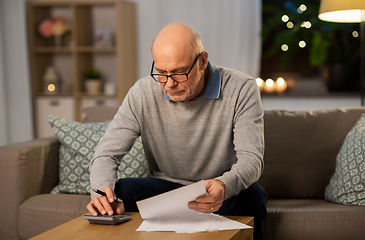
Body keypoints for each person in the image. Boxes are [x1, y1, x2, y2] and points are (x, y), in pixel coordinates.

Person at [87, 23, 267, 240]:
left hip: (220, 189)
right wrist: (100, 193)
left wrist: (224, 185)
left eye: (179, 73)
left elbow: (252, 160)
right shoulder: (142, 93)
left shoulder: (241, 88)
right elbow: (107, 154)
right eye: (161, 73)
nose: (169, 84)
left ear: (202, 61)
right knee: (121, 190)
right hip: (167, 190)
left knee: (253, 196)